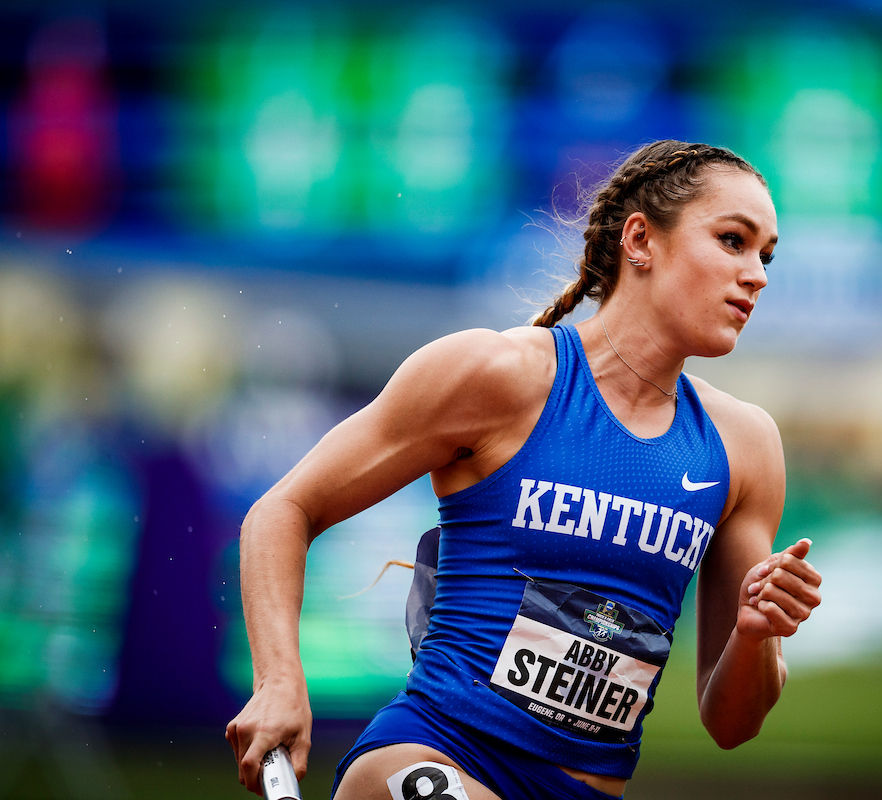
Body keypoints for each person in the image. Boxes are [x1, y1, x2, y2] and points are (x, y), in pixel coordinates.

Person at [225, 140, 823, 800]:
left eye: (765, 255)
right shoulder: (499, 376)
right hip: (436, 755)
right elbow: (281, 511)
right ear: (641, 240)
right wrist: (279, 680)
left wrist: (755, 633)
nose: (757, 275)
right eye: (733, 241)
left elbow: (732, 723)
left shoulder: (744, 446)